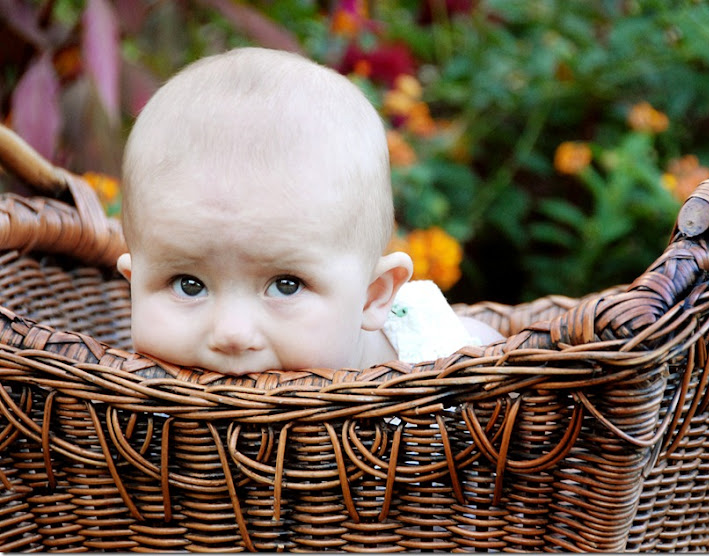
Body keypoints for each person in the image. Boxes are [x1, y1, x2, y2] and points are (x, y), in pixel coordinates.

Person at [116, 47, 503, 376]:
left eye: (286, 284)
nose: (231, 334)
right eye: (188, 284)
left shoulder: (434, 355)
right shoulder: (126, 398)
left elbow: (501, 373)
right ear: (134, 287)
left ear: (372, 297)